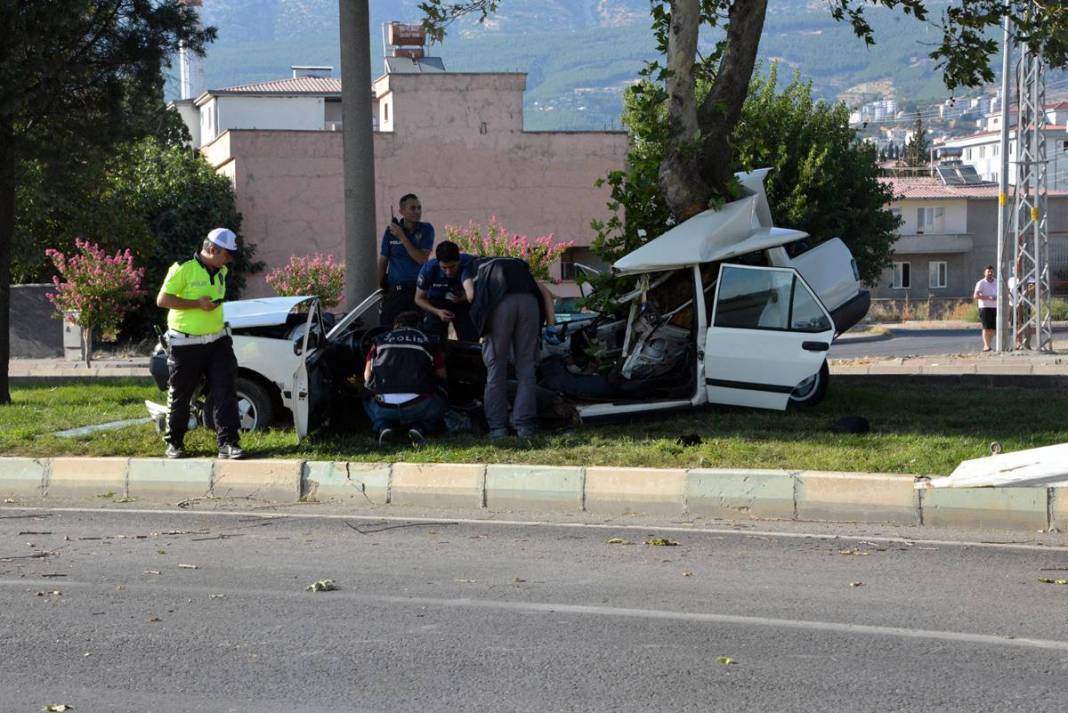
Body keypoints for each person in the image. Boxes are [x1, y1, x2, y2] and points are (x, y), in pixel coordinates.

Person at [156, 228, 245, 460]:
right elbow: (163, 300)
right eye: (228, 253)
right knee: (181, 395)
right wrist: (197, 304)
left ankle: (228, 443)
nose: (231, 259)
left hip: (218, 341)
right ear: (212, 249)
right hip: (185, 344)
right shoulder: (182, 268)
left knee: (225, 391)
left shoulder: (222, 270)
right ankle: (174, 443)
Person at [463, 256, 555, 439]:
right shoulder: (518, 266)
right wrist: (551, 325)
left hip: (500, 305)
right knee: (526, 368)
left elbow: (471, 295)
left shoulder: (470, 266)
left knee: (496, 369)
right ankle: (524, 426)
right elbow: (546, 293)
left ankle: (498, 428)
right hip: (529, 304)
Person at [363, 311, 448, 446]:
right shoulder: (429, 340)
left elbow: (367, 376)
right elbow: (441, 375)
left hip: (383, 408)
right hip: (419, 406)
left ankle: (383, 426)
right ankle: (420, 427)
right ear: (420, 325)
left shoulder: (378, 340)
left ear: (396, 325)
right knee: (442, 398)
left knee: (366, 398)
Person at [377, 193, 434, 328]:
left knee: (418, 329)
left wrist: (402, 237)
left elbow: (421, 259)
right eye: (412, 208)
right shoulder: (390, 232)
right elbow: (383, 260)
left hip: (418, 291)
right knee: (388, 328)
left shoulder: (426, 229)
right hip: (395, 290)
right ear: (401, 211)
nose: (417, 212)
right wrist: (379, 285)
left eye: (419, 208)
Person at [414, 240, 477, 342]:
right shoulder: (429, 269)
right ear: (438, 263)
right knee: (433, 339)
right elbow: (418, 299)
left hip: (462, 303)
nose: (448, 272)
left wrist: (464, 297)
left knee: (469, 339)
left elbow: (482, 292)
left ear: (459, 261)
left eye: (452, 267)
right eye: (444, 268)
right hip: (436, 305)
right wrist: (437, 312)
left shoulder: (470, 262)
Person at [973, 265, 997, 352]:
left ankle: (989, 345)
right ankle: (986, 346)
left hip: (995, 307)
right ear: (985, 273)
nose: (990, 273)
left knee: (992, 328)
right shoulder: (981, 283)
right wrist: (988, 297)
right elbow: (976, 296)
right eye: (988, 271)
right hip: (985, 307)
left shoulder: (997, 282)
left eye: (991, 271)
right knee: (986, 327)